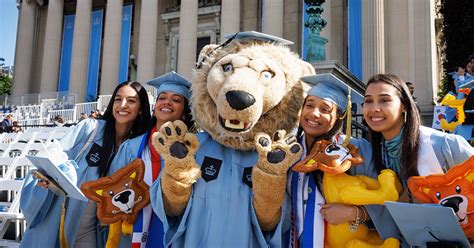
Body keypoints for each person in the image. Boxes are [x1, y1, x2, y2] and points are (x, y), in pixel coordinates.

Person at [20, 81, 152, 248]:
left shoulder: (137, 146)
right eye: (118, 99)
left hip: (93, 231)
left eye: (131, 101)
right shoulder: (90, 129)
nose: (122, 105)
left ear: (141, 109)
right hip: (62, 219)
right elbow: (56, 152)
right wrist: (48, 174)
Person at [359, 73, 474, 243]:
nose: (374, 108)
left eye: (384, 100)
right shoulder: (374, 156)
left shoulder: (445, 145)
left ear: (404, 105)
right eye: (368, 101)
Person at [288, 73, 375, 247]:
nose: (314, 113)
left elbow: (383, 200)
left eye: (325, 109)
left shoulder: (354, 151)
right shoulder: (289, 151)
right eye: (309, 105)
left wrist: (354, 213)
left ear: (339, 116)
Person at [109, 71, 194, 248]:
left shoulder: (191, 150)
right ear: (155, 106)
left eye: (176, 100)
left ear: (184, 112)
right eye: (162, 98)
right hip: (132, 226)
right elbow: (113, 186)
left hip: (173, 227)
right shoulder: (132, 147)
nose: (167, 102)